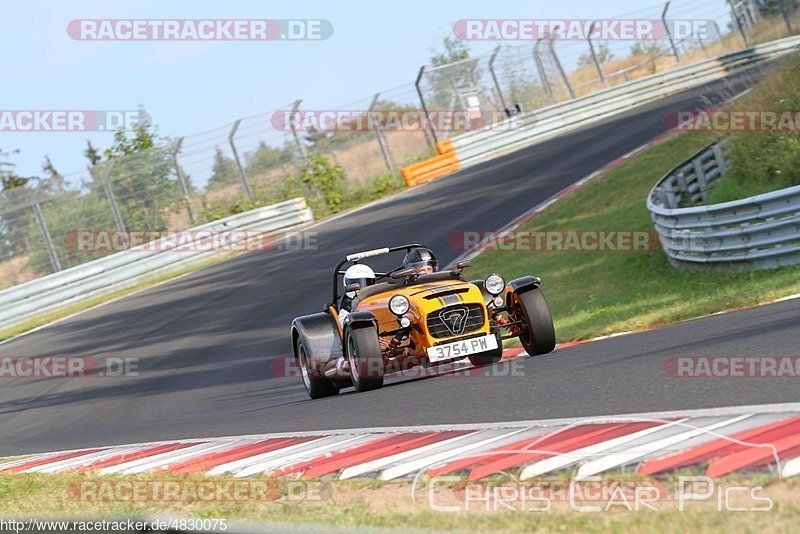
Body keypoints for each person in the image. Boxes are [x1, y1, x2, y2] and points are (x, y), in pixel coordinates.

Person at [338, 264, 376, 328]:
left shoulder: (377, 298)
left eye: (367, 282)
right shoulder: (346, 307)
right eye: (356, 282)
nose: (363, 287)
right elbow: (345, 325)